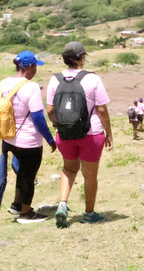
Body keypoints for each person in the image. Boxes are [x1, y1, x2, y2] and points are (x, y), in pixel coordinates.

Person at [47, 42, 113, 227]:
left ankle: (62, 204)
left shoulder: (55, 79)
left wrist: (59, 125)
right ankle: (89, 213)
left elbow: (50, 110)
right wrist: (109, 133)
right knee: (90, 175)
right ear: (82, 57)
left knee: (69, 169)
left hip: (65, 134)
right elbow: (101, 110)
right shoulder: (92, 79)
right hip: (91, 133)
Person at [0, 50, 57, 224]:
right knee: (28, 175)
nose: (36, 69)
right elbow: (38, 117)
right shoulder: (31, 86)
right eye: (35, 66)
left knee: (21, 173)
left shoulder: (2, 84)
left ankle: (16, 204)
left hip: (8, 138)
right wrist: (50, 140)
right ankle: (26, 212)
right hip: (28, 140)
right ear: (28, 67)